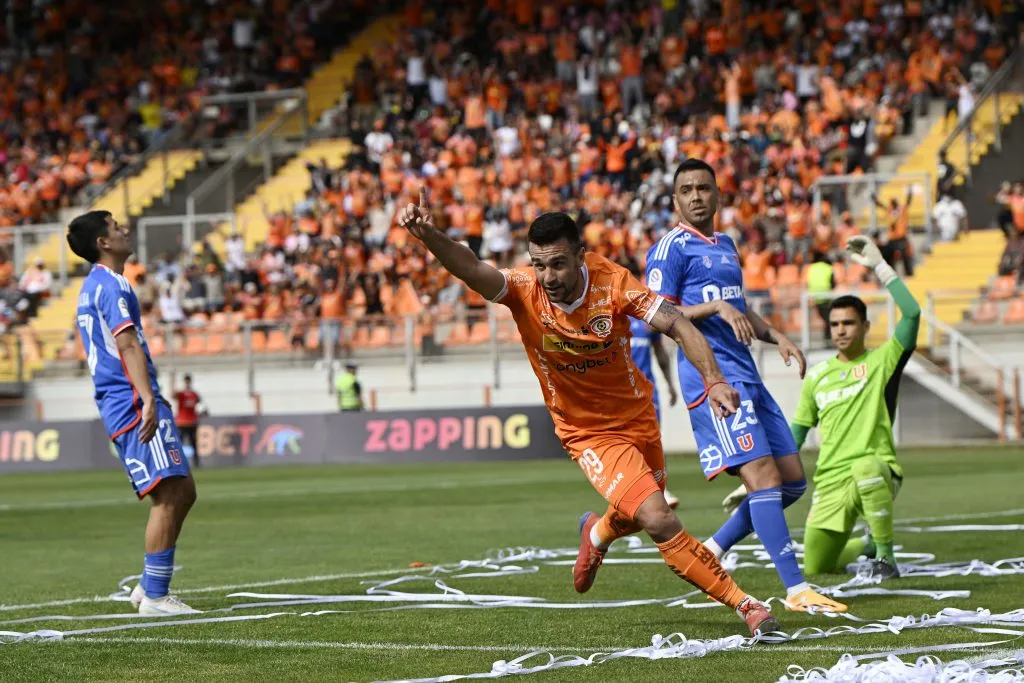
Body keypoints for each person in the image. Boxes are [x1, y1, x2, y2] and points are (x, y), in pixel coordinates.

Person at [399, 188, 781, 637]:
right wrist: (431, 238)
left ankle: (596, 534)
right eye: (539, 264)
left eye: (557, 263)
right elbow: (471, 268)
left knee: (636, 511)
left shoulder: (613, 282)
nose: (547, 276)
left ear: (581, 255)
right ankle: (748, 606)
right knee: (657, 517)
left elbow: (676, 323)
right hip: (587, 431)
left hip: (637, 416)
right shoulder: (524, 290)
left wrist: (714, 378)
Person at [645, 159, 846, 613]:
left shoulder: (726, 244)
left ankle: (713, 548)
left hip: (748, 374)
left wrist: (776, 335)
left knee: (792, 482)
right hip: (712, 379)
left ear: (718, 195)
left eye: (703, 188)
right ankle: (796, 591)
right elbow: (658, 315)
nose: (696, 196)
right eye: (686, 190)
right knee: (764, 479)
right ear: (675, 200)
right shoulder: (669, 249)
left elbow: (739, 309)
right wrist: (713, 307)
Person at [67, 210, 198, 616]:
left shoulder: (93, 286)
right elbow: (126, 346)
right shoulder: (112, 285)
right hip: (129, 398)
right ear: (103, 242)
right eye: (116, 226)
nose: (125, 230)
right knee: (169, 494)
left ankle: (147, 587)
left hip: (121, 396)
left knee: (182, 489)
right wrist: (147, 398)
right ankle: (157, 597)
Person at [791, 236, 921, 579]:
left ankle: (885, 556)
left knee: (866, 468)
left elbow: (912, 313)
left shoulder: (883, 361)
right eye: (834, 324)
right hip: (831, 479)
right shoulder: (817, 375)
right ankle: (865, 545)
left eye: (848, 323)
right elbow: (797, 434)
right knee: (818, 565)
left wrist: (880, 265)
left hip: (877, 470)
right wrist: (760, 475)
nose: (841, 331)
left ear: (865, 326)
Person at [626, 263, 681, 509]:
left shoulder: (645, 318)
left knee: (652, 439)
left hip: (647, 390)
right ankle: (632, 491)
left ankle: (662, 488)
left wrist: (670, 385)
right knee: (626, 443)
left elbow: (660, 353)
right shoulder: (608, 317)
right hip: (619, 393)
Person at [172, 373, 205, 468]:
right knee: (179, 444)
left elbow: (199, 402)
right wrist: (172, 380)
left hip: (192, 422)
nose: (187, 383)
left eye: (188, 381)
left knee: (194, 443)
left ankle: (196, 463)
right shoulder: (181, 394)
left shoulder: (194, 394)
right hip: (182, 422)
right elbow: (173, 395)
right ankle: (179, 462)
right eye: (186, 381)